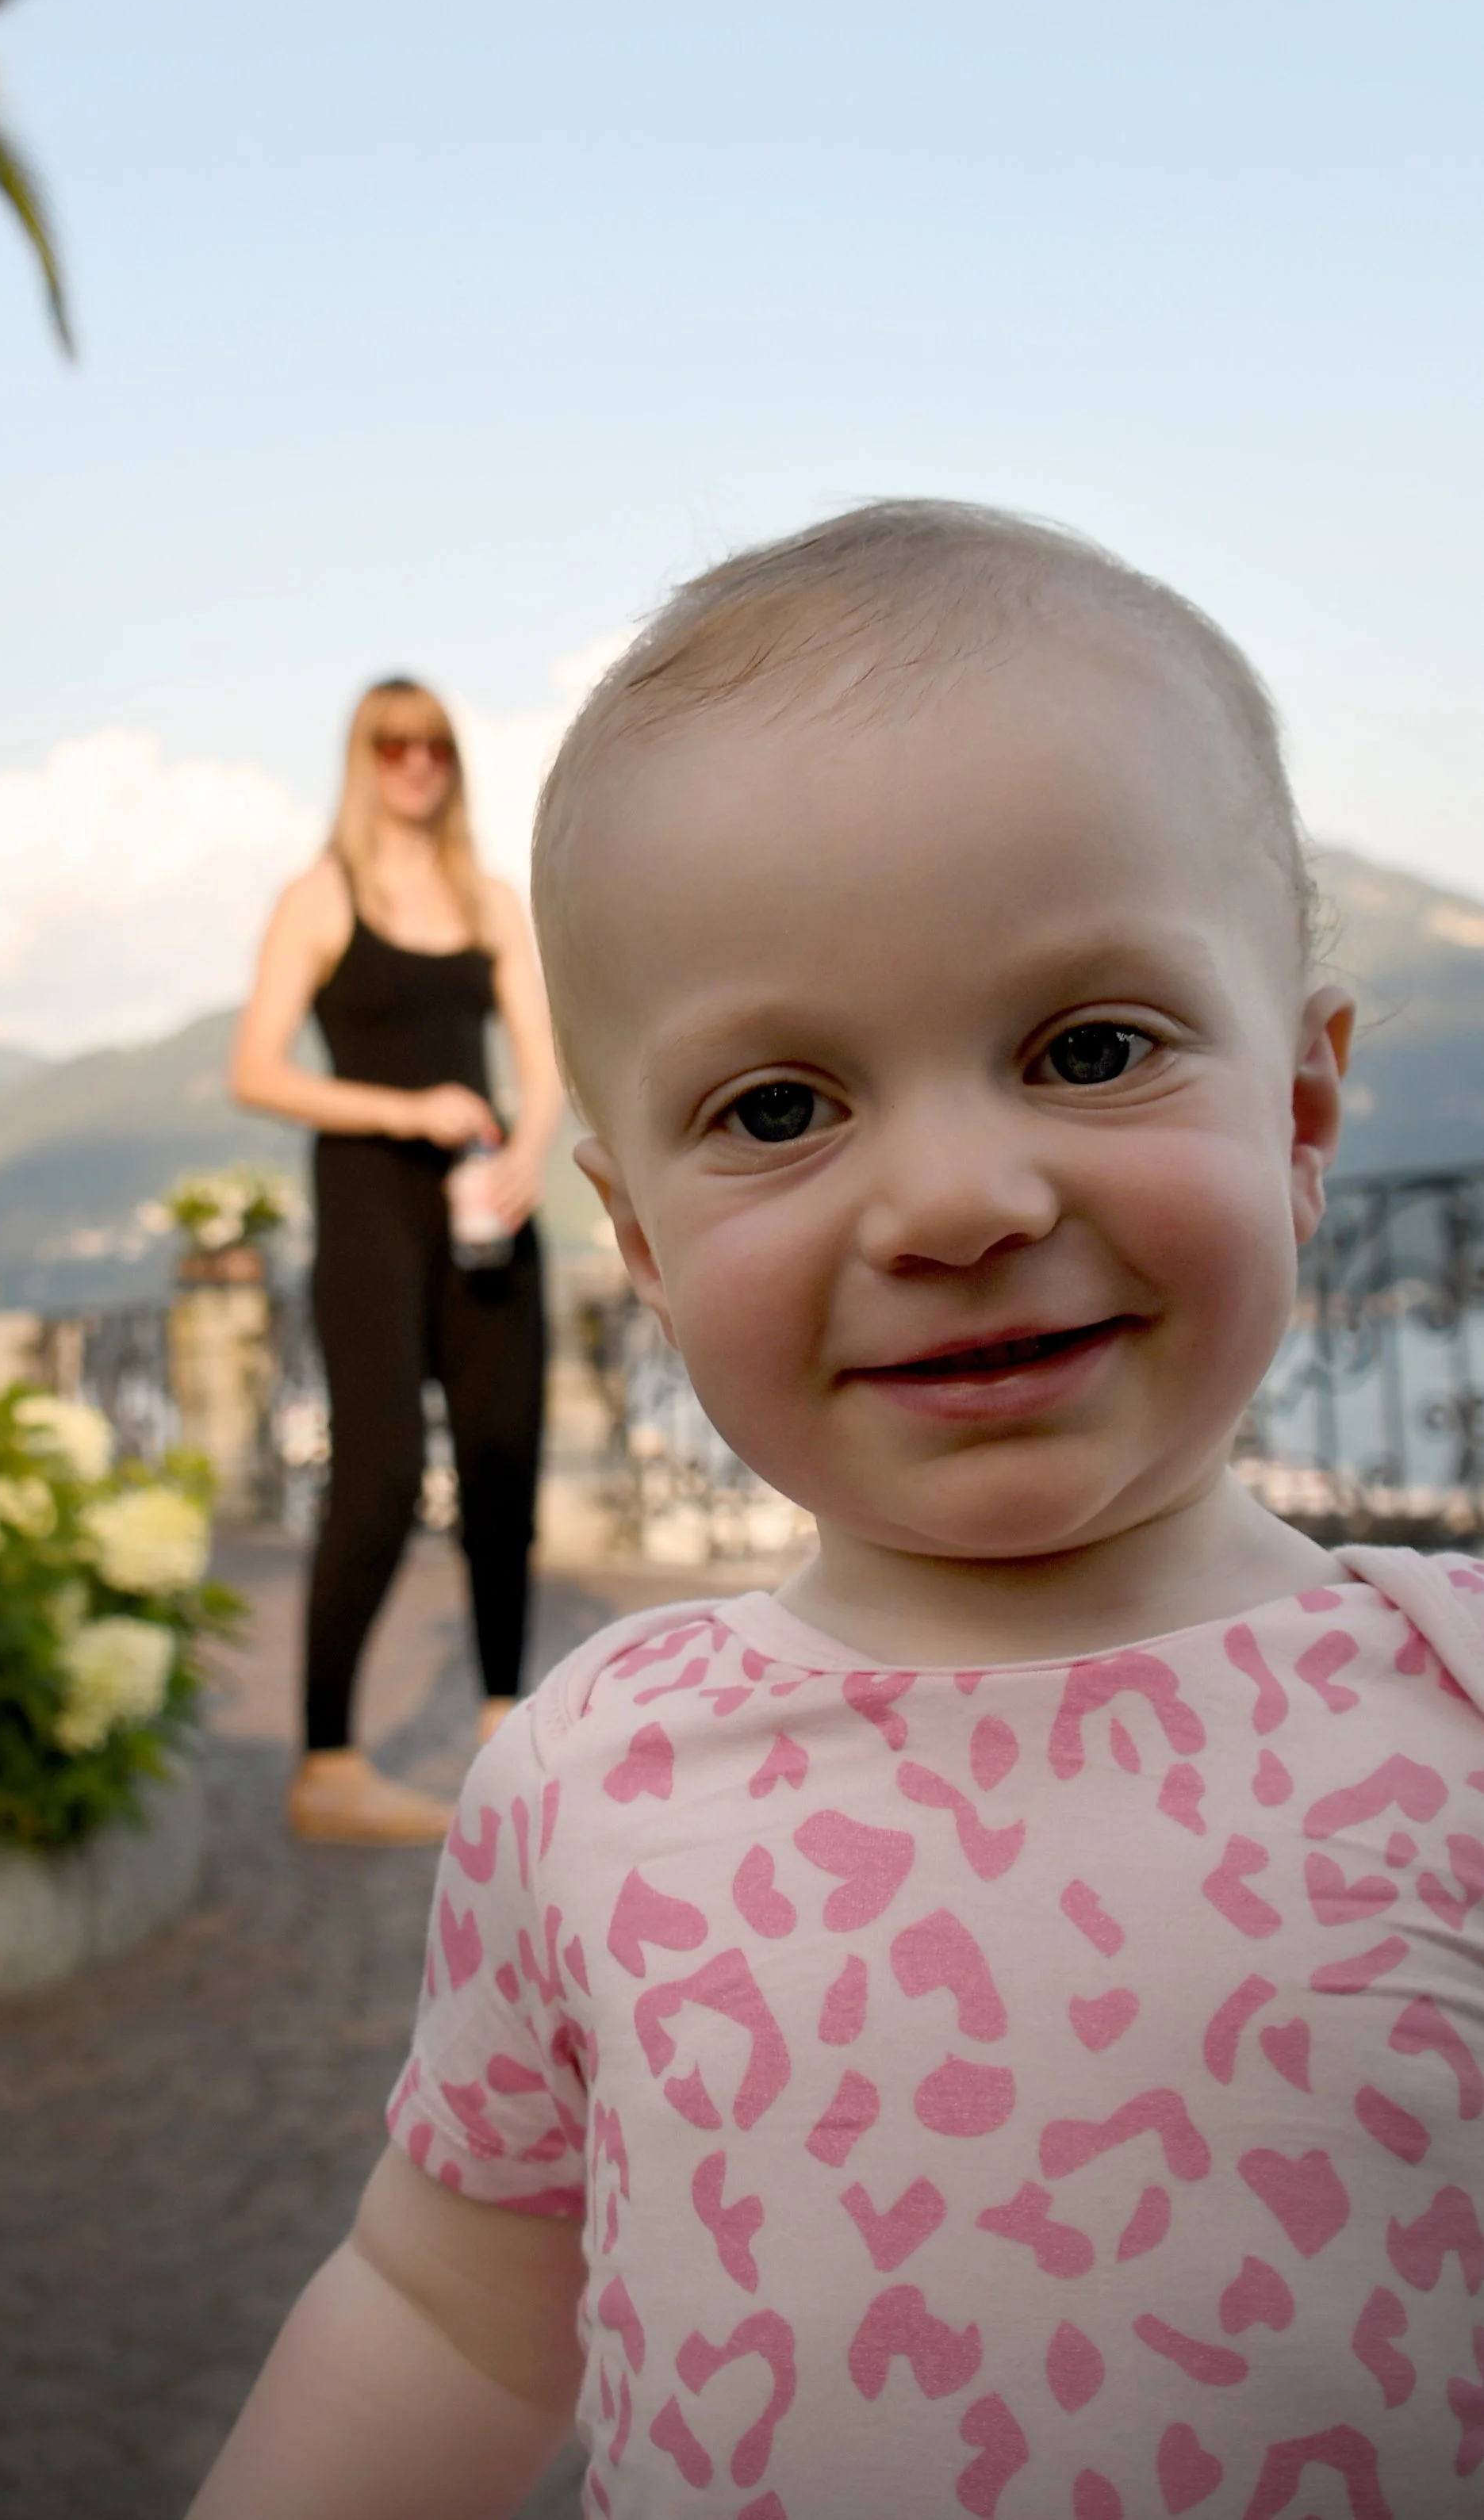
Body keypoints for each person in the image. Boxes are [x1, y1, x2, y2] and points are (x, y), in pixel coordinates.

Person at [193, 502, 1484, 2517]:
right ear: (636, 1239)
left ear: (1300, 1113)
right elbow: (443, 2317)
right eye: (778, 1109)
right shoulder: (590, 1780)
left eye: (1088, 1049)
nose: (955, 1202)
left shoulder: (1451, 1719)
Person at [232, 677, 564, 1847]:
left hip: (486, 1208)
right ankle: (327, 1764)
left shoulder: (489, 898)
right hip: (370, 1204)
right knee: (377, 1475)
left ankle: (505, 1728)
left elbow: (542, 1058)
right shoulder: (322, 895)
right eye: (393, 744)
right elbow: (256, 1068)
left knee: (503, 1462)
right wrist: (405, 1109)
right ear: (362, 759)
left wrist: (527, 1153)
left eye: (434, 743)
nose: (416, 762)